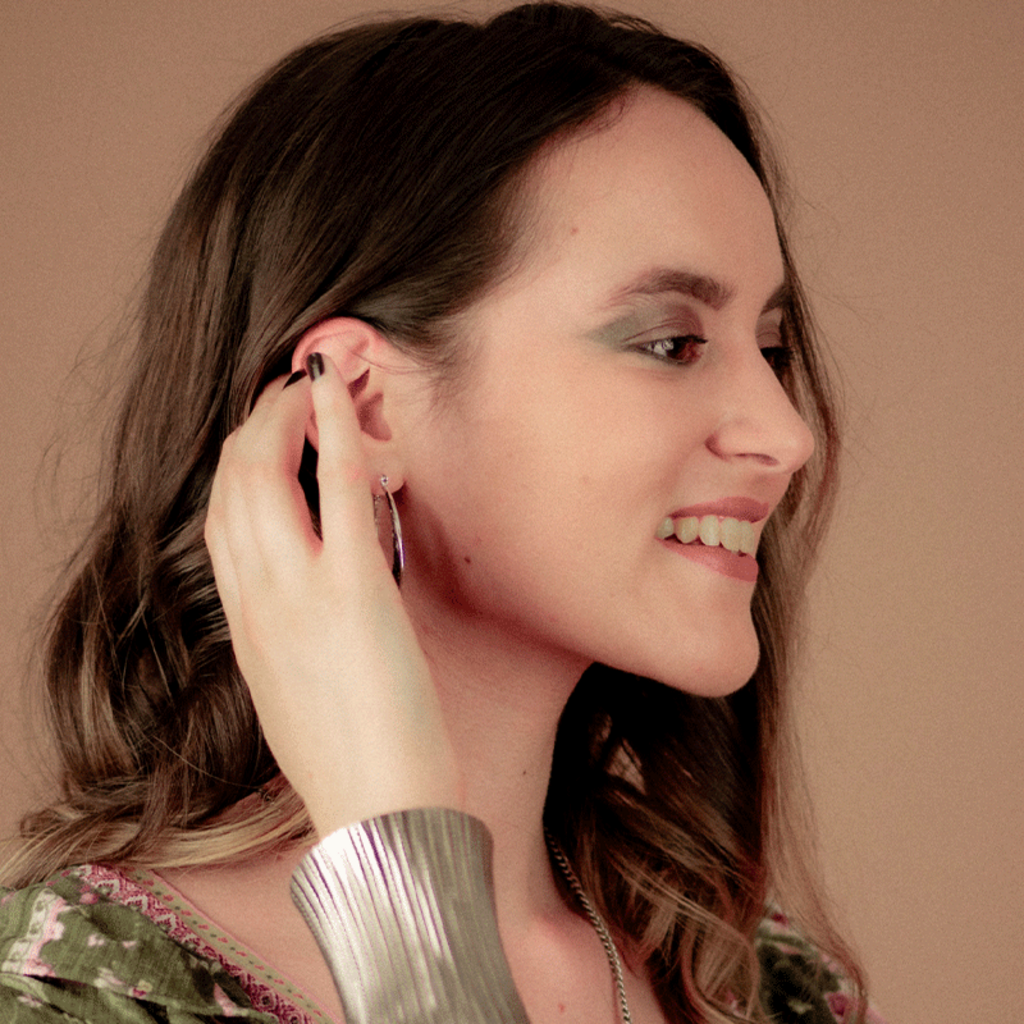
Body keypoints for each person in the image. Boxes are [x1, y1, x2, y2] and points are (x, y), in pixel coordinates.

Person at [0, 4, 885, 1022]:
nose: (785, 433)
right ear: (358, 403)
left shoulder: (763, 984)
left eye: (770, 349)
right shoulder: (74, 992)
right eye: (670, 343)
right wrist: (400, 876)